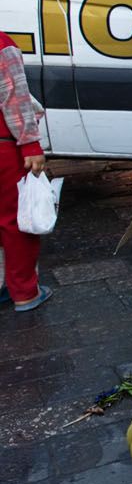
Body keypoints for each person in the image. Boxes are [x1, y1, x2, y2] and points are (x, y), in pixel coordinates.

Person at [0, 32, 52, 312]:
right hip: (4, 148)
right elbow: (15, 99)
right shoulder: (1, 44)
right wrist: (31, 145)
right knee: (16, 222)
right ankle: (24, 292)